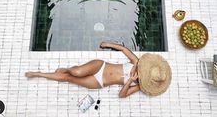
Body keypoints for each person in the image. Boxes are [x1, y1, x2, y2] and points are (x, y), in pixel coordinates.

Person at [25, 42, 172, 97]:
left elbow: (122, 95)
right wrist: (109, 44)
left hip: (99, 81)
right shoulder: (137, 61)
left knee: (67, 79)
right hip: (100, 65)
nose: (141, 73)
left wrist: (129, 82)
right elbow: (123, 49)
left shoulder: (138, 85)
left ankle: (37, 74)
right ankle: (68, 69)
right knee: (75, 72)